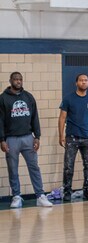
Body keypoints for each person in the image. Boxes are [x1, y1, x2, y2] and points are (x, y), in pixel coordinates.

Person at [0, 72, 53, 208]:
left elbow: (35, 117)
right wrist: (2, 140)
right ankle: (16, 196)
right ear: (10, 80)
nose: (18, 81)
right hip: (11, 139)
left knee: (34, 166)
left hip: (28, 137)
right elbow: (0, 121)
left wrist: (37, 136)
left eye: (20, 79)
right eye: (16, 79)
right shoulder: (3, 98)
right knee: (13, 169)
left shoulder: (28, 97)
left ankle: (40, 195)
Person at [58, 74, 88, 201]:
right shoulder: (68, 99)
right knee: (68, 167)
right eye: (81, 80)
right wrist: (61, 135)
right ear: (76, 83)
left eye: (86, 80)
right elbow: (62, 118)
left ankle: (87, 191)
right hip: (71, 138)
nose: (84, 82)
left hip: (87, 138)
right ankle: (67, 192)